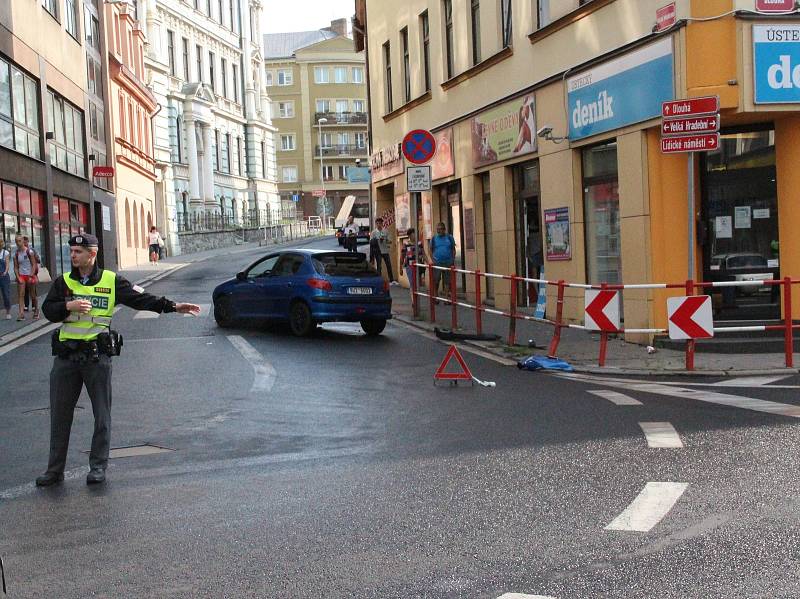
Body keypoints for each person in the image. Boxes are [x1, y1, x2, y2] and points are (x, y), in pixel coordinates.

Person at [35, 233, 200, 487]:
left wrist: (173, 306)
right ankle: (54, 471)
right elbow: (48, 310)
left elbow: (142, 298)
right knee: (59, 416)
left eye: (78, 252)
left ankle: (98, 467)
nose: (72, 256)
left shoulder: (111, 281)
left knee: (102, 415)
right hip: (66, 359)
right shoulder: (64, 282)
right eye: (71, 252)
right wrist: (69, 306)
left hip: (96, 358)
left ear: (92, 254)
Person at [13, 234, 39, 321]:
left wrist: (31, 275)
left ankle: (36, 310)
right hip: (21, 275)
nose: (18, 243)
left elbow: (34, 264)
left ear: (23, 241)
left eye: (19, 241)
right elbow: (16, 267)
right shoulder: (16, 254)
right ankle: (21, 314)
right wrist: (18, 277)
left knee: (33, 295)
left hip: (30, 275)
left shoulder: (29, 252)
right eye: (16, 241)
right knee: (21, 295)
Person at [429, 222, 456, 301]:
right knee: (436, 279)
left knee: (447, 280)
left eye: (440, 229)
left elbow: (453, 249)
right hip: (437, 262)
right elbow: (430, 250)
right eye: (437, 229)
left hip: (448, 262)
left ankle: (447, 298)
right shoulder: (434, 238)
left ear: (444, 230)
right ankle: (436, 295)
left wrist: (452, 259)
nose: (439, 231)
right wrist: (433, 259)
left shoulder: (449, 237)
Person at [371, 217, 397, 285]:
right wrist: (377, 240)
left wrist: (385, 239)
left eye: (380, 223)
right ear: (376, 224)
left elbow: (390, 241)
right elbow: (371, 242)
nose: (379, 225)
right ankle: (379, 280)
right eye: (377, 223)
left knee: (388, 265)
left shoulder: (386, 231)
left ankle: (391, 280)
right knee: (379, 266)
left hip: (385, 250)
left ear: (382, 224)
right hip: (377, 251)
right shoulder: (373, 232)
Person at [0, 239, 11, 319]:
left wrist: (5, 272)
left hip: (4, 276)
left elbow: (7, 264)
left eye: (2, 242)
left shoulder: (5, 253)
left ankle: (8, 311)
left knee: (6, 295)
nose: (1, 244)